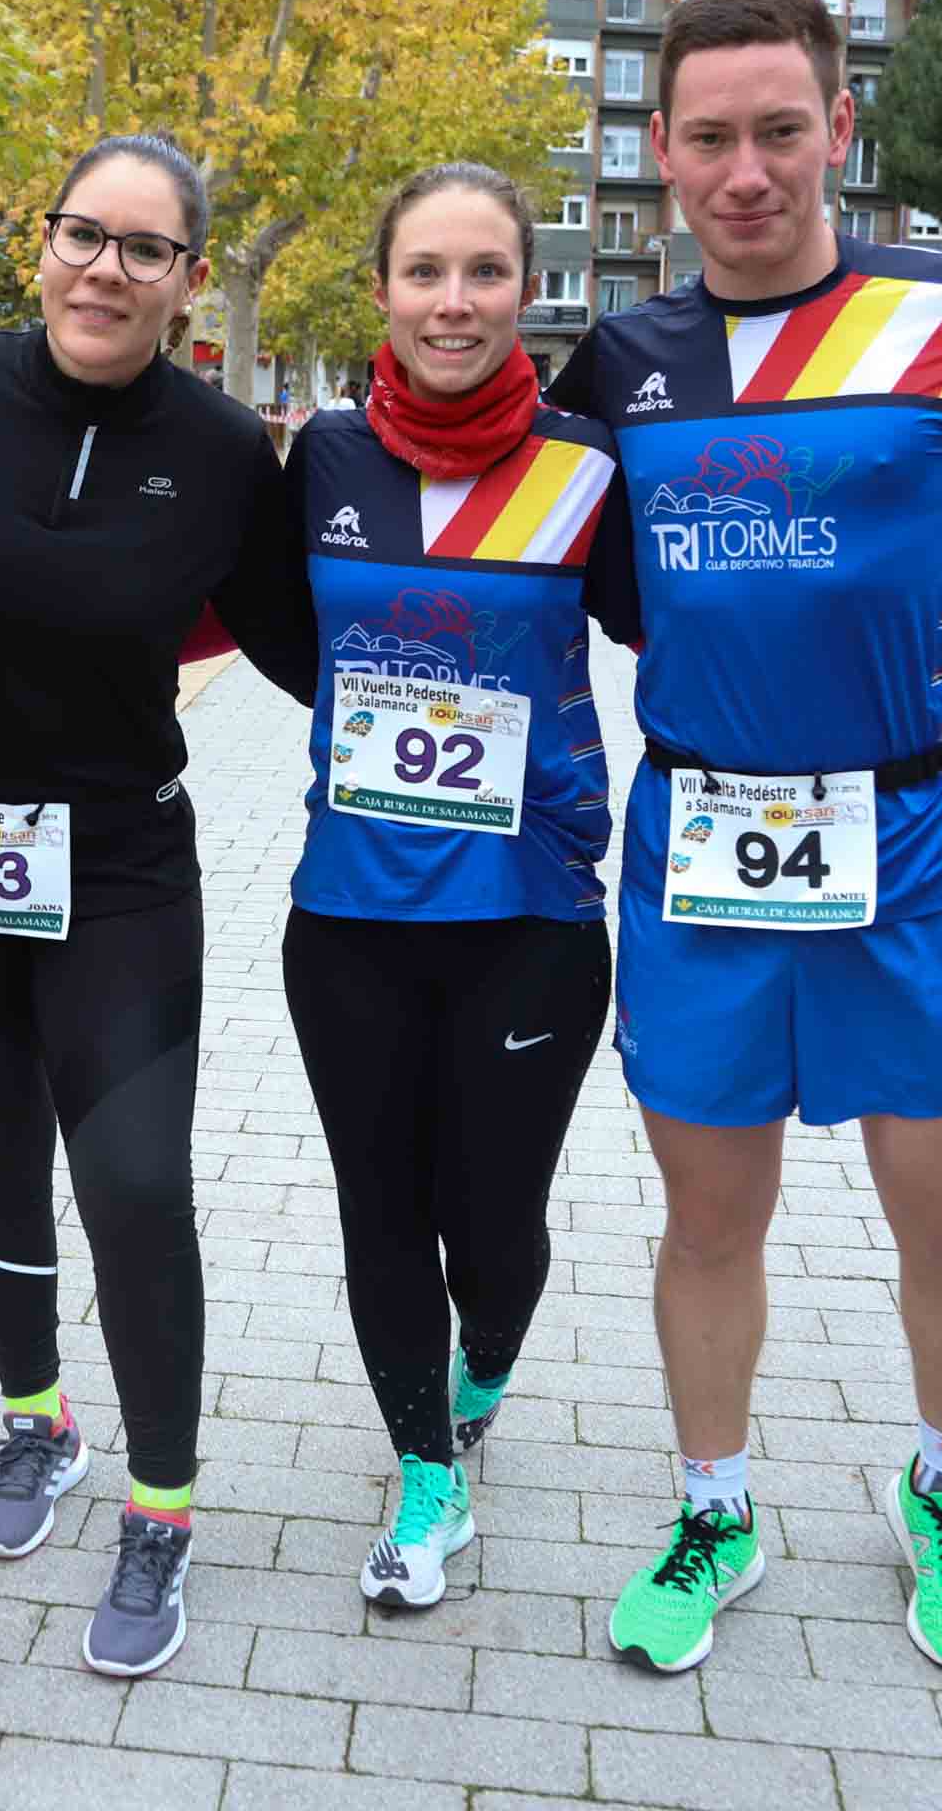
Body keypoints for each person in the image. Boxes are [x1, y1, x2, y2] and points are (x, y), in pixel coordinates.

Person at [545, 0, 942, 1677]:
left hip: (921, 846)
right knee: (711, 1218)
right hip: (701, 850)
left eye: (780, 131)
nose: (745, 171)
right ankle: (716, 1506)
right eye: (708, 138)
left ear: (838, 132)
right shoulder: (626, 363)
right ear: (657, 154)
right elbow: (591, 588)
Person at [0, 133, 313, 1678]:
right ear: (37, 245)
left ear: (190, 281)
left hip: (119, 866)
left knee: (131, 1182)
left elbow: (303, 634)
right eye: (82, 235)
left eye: (146, 249)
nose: (105, 270)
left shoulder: (223, 448)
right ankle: (33, 1424)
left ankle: (163, 1507)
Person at [281, 164, 636, 1611]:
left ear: (528, 292)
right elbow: (260, 621)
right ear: (381, 290)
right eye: (425, 272)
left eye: (485, 272)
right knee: (381, 1206)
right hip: (352, 917)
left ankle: (482, 1363)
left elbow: (682, 627)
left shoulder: (590, 465)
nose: (453, 301)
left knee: (494, 1227)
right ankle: (426, 1477)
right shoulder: (320, 459)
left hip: (535, 922)